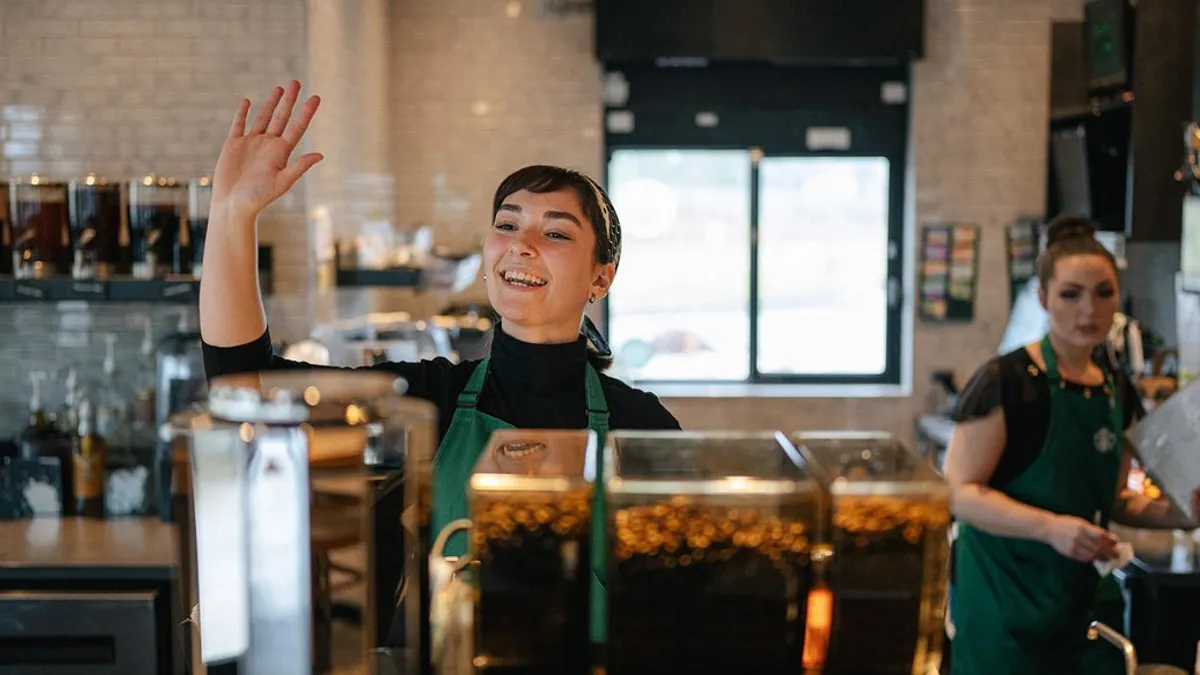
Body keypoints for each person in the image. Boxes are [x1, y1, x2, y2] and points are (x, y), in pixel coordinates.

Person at [198, 80, 681, 640]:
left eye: (555, 232)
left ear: (602, 277)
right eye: (507, 224)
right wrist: (232, 216)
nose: (521, 244)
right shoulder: (426, 404)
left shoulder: (643, 429)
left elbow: (677, 614)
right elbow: (248, 385)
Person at [944, 215, 1199, 675]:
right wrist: (1050, 528)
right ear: (1043, 298)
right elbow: (960, 493)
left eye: (1104, 293)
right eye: (1070, 294)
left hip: (1084, 614)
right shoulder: (1008, 381)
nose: (1090, 310)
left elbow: (1116, 498)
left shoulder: (1114, 388)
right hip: (1006, 613)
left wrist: (1183, 513)